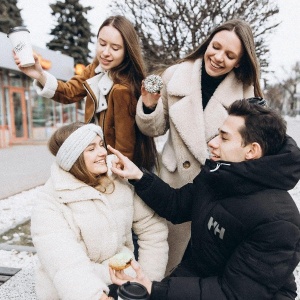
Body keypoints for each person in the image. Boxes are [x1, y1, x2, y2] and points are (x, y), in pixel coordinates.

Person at [108, 98, 300, 299]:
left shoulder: (278, 221)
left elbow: (234, 294)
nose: (212, 143)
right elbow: (177, 204)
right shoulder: (220, 176)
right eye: (218, 134)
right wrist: (139, 176)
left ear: (251, 151)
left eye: (224, 138)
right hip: (199, 280)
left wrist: (155, 289)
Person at [136, 18, 264, 273]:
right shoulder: (175, 75)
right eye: (215, 47)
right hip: (173, 183)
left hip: (218, 189)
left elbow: (248, 146)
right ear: (207, 43)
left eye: (229, 55)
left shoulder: (247, 93)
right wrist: (149, 106)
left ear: (239, 61)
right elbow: (154, 129)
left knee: (204, 266)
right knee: (164, 262)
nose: (218, 57)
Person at [30, 122, 168, 300]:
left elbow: (153, 230)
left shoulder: (119, 180)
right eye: (91, 148)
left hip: (124, 283)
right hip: (75, 291)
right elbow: (66, 263)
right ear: (73, 158)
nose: (103, 152)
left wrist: (147, 282)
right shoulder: (49, 202)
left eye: (101, 145)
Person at [13, 15, 157, 171]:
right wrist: (39, 74)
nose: (105, 52)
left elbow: (125, 149)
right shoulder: (95, 69)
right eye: (102, 44)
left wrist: (110, 175)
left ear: (127, 51)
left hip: (114, 168)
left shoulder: (123, 90)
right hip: (98, 159)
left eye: (115, 48)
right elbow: (69, 92)